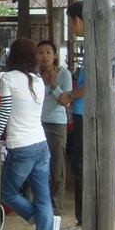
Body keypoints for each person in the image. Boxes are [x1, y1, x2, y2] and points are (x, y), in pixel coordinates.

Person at [0, 38, 60, 230]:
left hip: (21, 146)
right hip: (41, 143)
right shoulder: (38, 79)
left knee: (7, 193)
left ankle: (41, 222)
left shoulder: (8, 78)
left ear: (12, 56)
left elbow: (4, 111)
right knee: (42, 194)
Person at [57, 2, 85, 230]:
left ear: (77, 19)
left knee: (81, 167)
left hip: (86, 112)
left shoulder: (95, 45)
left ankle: (84, 221)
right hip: (84, 112)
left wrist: (71, 95)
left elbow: (92, 83)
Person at [37, 40, 72, 216]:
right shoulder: (35, 75)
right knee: (38, 167)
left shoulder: (64, 74)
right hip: (37, 124)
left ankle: (56, 208)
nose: (44, 56)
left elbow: (65, 101)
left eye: (48, 52)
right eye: (41, 52)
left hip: (56, 124)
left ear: (55, 55)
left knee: (57, 168)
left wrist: (54, 84)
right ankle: (40, 204)